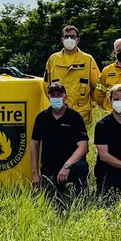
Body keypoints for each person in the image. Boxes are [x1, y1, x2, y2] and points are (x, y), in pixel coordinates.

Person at [29, 81, 90, 209]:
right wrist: (35, 174)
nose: (56, 98)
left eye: (59, 94)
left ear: (65, 97)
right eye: (53, 95)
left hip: (71, 167)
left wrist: (67, 166)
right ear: (49, 97)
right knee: (51, 203)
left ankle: (81, 202)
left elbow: (83, 147)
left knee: (82, 167)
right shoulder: (41, 118)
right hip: (50, 168)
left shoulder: (74, 117)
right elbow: (34, 145)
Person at [44, 25, 100, 127]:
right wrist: (55, 102)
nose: (69, 39)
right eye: (66, 36)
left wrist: (93, 105)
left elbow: (96, 86)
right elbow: (46, 85)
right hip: (58, 112)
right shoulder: (53, 59)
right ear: (62, 39)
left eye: (72, 37)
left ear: (78, 40)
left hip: (82, 113)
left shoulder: (88, 59)